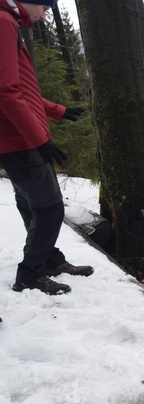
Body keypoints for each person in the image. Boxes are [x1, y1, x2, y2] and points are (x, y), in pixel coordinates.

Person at [0, 0, 92, 295]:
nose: (45, 14)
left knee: (31, 202)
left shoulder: (8, 21)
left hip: (16, 136)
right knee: (49, 208)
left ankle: (48, 259)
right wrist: (40, 139)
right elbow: (6, 91)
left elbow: (22, 90)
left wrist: (59, 111)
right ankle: (30, 273)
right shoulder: (3, 22)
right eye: (45, 6)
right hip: (18, 138)